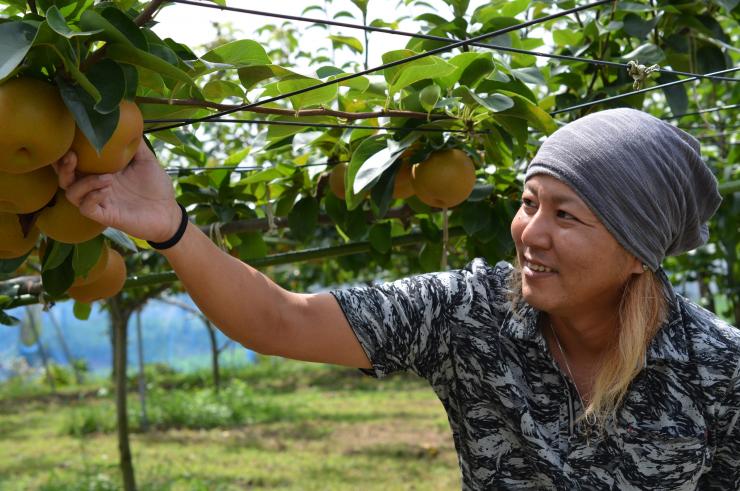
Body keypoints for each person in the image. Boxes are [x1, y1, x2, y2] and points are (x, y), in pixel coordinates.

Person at [55, 108, 739, 490]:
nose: (530, 231)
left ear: (635, 248)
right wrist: (171, 227)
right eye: (530, 202)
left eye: (566, 215)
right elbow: (278, 319)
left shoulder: (717, 369)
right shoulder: (466, 315)